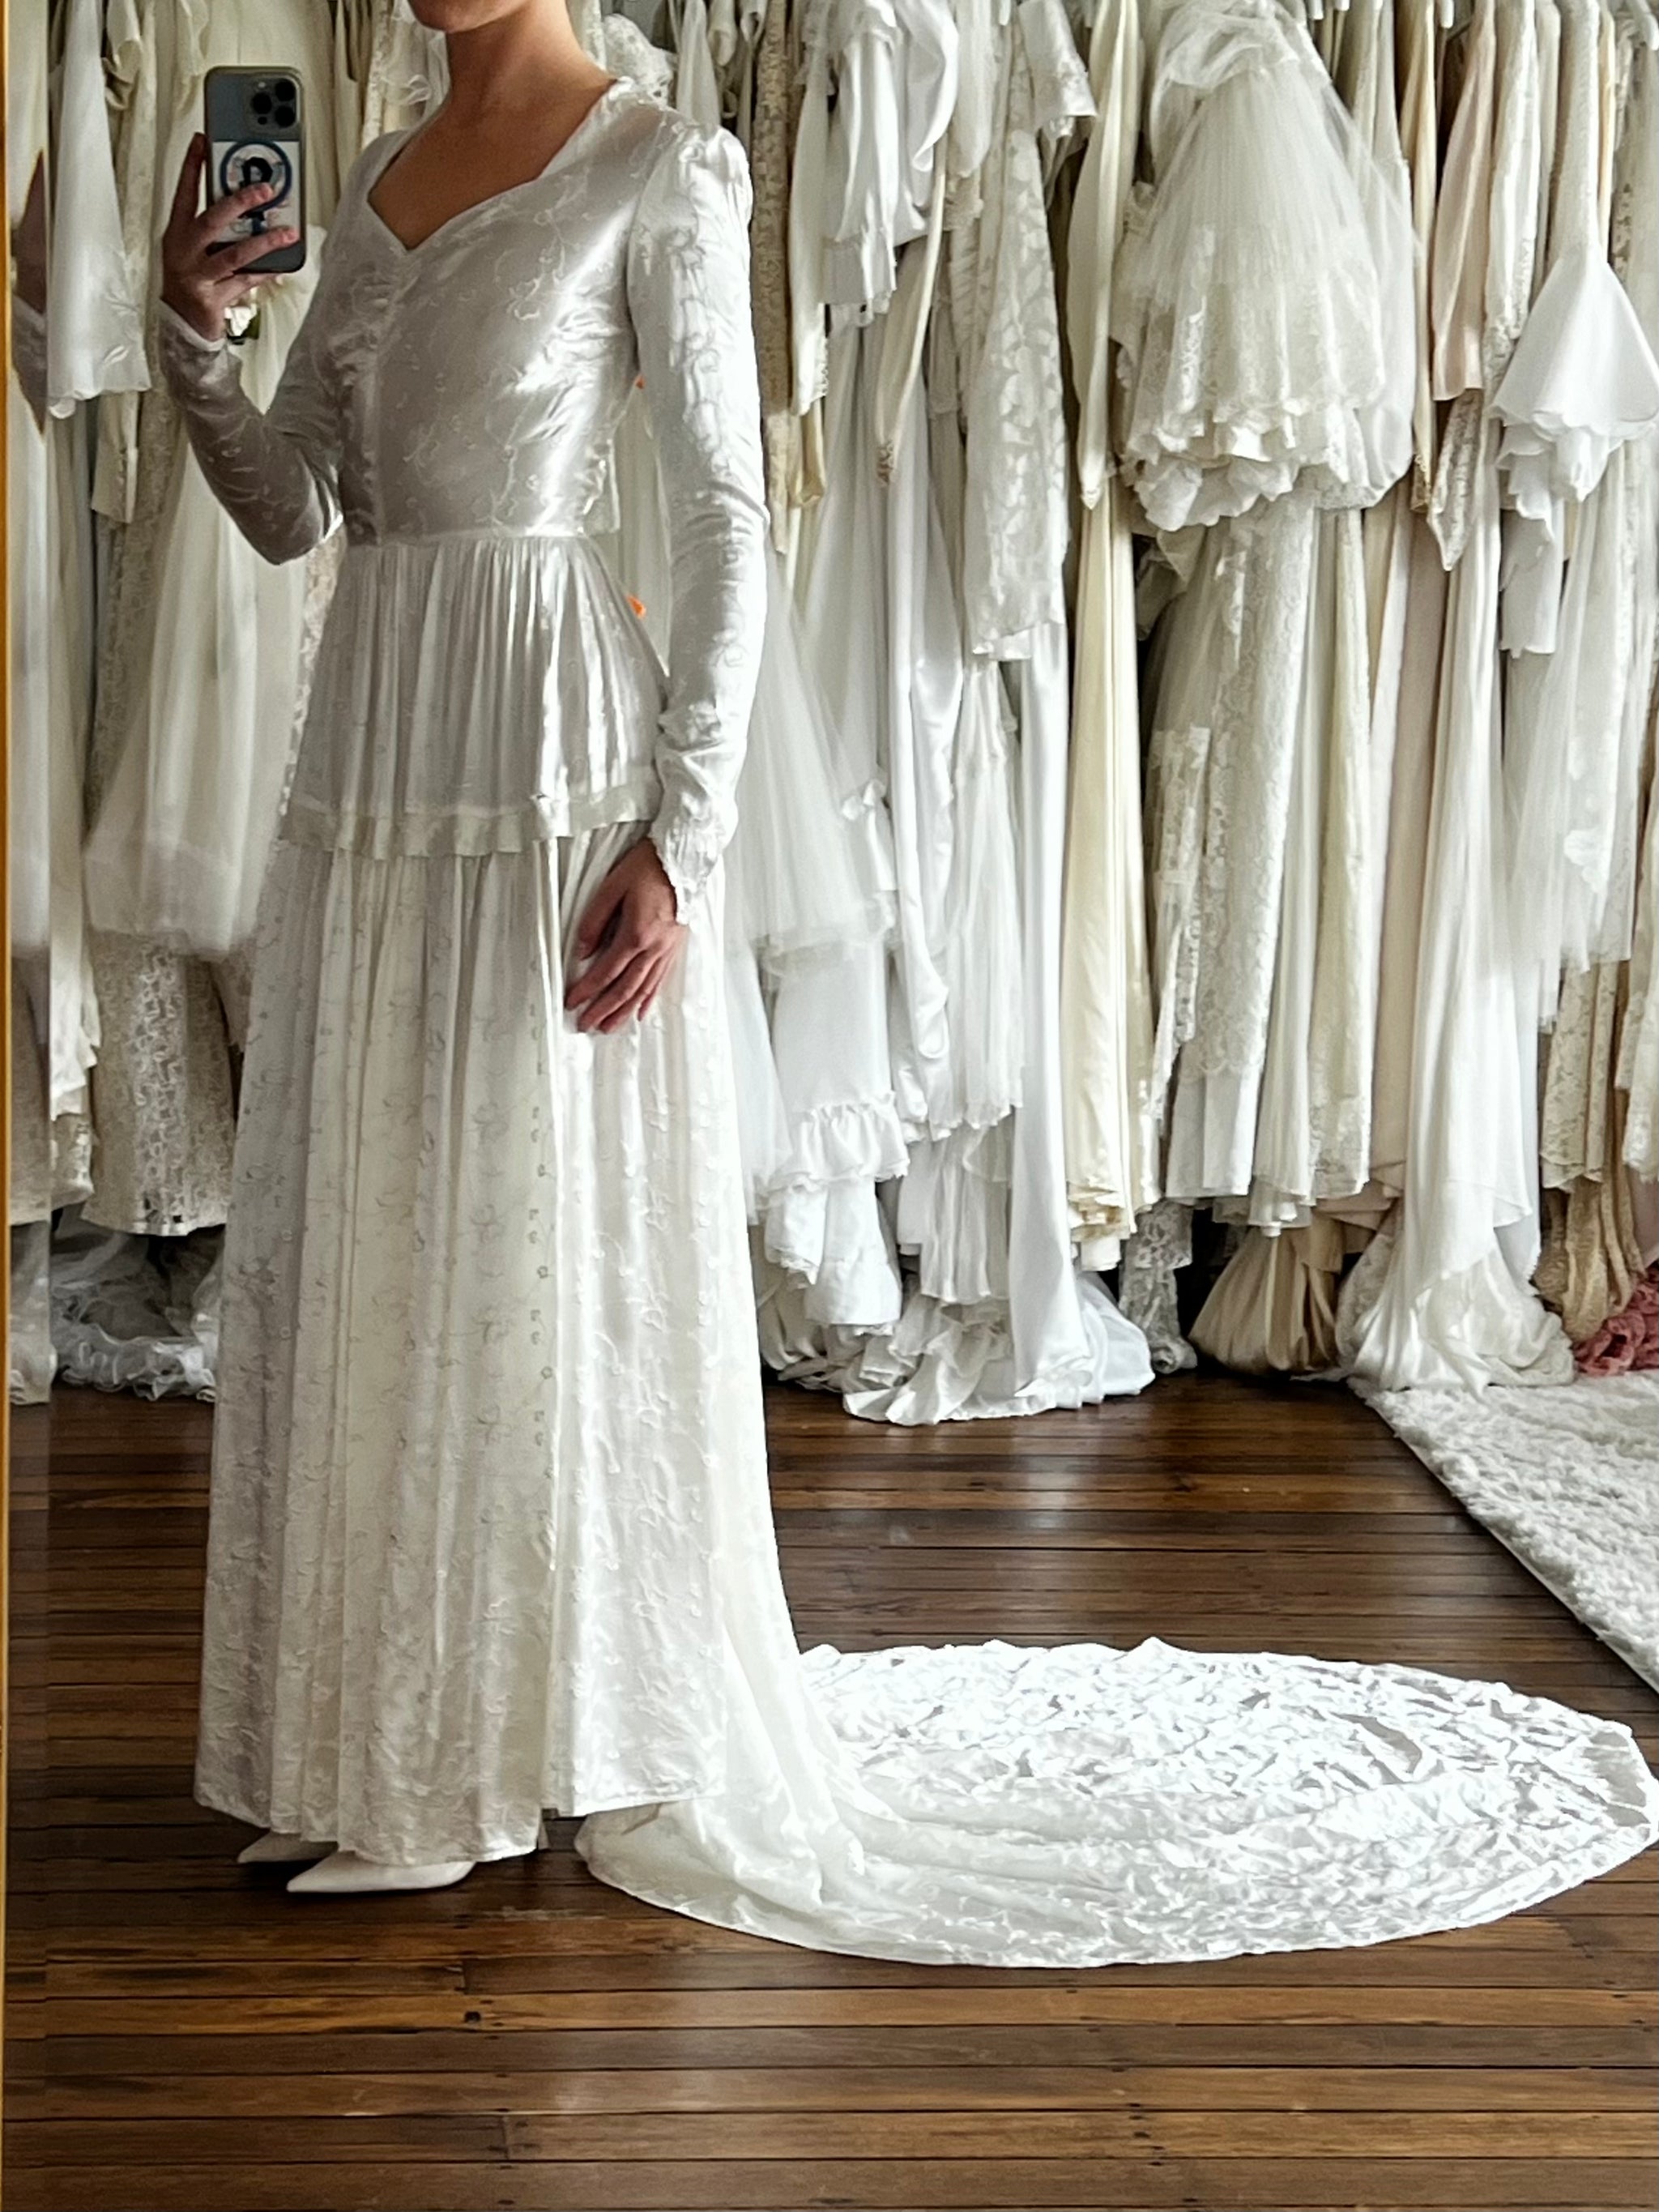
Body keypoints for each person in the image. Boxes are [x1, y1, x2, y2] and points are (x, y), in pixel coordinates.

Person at [157, 0, 1657, 1952]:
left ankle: (472, 1764)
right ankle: (385, 1734)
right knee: (383, 1233)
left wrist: (683, 835)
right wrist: (198, 330)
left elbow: (724, 516)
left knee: (516, 1241)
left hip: (545, 768)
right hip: (375, 762)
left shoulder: (657, 165)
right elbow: (297, 510)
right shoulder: (362, 182)